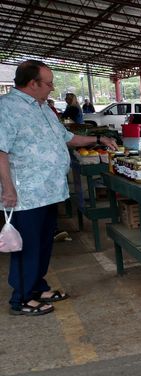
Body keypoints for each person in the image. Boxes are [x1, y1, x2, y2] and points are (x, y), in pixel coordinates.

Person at [0, 60, 118, 316]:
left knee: (43, 243)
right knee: (27, 246)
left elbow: (68, 138)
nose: (52, 88)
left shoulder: (42, 108)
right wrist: (8, 189)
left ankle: (37, 287)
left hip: (49, 190)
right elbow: (1, 151)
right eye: (49, 83)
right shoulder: (6, 108)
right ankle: (21, 299)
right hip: (26, 194)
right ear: (33, 83)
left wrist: (99, 138)